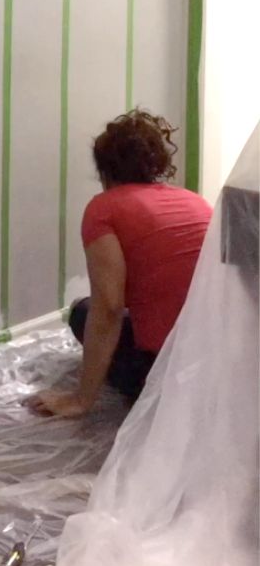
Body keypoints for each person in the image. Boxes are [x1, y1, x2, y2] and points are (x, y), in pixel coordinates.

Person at [30, 110, 212, 417]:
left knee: (83, 311)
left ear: (104, 170)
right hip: (216, 367)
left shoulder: (104, 209)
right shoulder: (194, 201)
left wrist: (81, 399)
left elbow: (110, 306)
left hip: (165, 375)